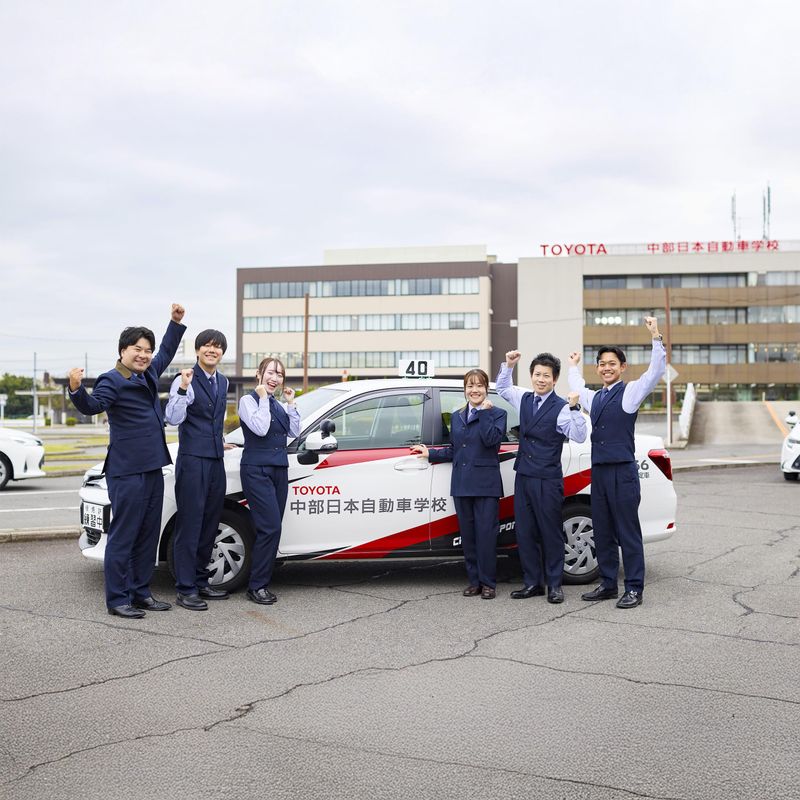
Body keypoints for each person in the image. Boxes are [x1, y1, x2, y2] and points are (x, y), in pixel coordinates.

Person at [68, 305, 187, 618]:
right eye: (138, 349)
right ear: (123, 351)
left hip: (151, 468)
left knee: (148, 534)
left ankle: (141, 593)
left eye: (146, 350)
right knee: (124, 536)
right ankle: (118, 599)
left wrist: (175, 324)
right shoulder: (112, 380)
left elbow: (166, 352)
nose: (145, 355)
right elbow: (93, 405)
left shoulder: (147, 373)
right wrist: (76, 390)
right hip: (126, 471)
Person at [568, 316, 666, 609]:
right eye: (602, 363)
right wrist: (573, 366)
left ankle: (634, 588)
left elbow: (655, 371)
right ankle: (609, 583)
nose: (606, 367)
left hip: (622, 473)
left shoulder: (631, 392)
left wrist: (655, 336)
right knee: (603, 530)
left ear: (622, 367)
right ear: (597, 368)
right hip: (598, 473)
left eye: (612, 363)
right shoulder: (594, 398)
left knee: (628, 532)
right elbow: (577, 386)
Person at [496, 352, 587, 603]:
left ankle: (554, 585)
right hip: (524, 475)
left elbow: (579, 436)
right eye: (537, 374)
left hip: (547, 478)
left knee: (550, 532)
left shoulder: (561, 407)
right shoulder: (524, 398)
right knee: (525, 532)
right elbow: (502, 388)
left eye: (546, 376)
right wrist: (509, 365)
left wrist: (575, 407)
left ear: (555, 379)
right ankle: (532, 582)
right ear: (532, 376)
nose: (541, 379)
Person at [411, 369, 507, 600]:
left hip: (486, 484)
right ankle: (474, 581)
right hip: (462, 483)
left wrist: (484, 413)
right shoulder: (457, 416)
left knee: (486, 535)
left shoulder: (498, 414)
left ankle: (488, 583)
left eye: (479, 386)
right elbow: (456, 449)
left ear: (486, 389)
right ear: (464, 390)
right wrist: (430, 453)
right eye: (470, 386)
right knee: (469, 535)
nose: (474, 390)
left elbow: (492, 441)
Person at [164, 329, 230, 611]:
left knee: (209, 524)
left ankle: (202, 581)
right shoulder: (186, 379)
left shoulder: (223, 381)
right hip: (192, 461)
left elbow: (215, 418)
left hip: (216, 460)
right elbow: (172, 418)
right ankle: (186, 588)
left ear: (222, 353)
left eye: (217, 347)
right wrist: (181, 389)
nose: (212, 350)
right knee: (190, 525)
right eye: (207, 346)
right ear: (198, 350)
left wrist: (221, 440)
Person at [238, 356, 300, 605]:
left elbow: (294, 432)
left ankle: (260, 581)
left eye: (280, 374)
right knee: (270, 527)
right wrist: (263, 398)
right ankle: (257, 586)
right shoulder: (248, 401)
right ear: (259, 374)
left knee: (272, 528)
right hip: (256, 469)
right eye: (271, 373)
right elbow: (261, 429)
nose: (275, 378)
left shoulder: (277, 404)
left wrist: (291, 403)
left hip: (278, 469)